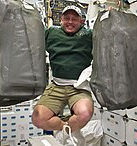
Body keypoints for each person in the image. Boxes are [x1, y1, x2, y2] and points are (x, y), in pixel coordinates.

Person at [32, 5, 94, 145]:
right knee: (38, 119)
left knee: (84, 114)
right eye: (66, 18)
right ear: (60, 19)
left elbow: (107, 34)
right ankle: (68, 128)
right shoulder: (51, 33)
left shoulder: (88, 35)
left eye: (74, 19)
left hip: (78, 86)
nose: (70, 22)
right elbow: (31, 37)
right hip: (56, 86)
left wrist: (109, 16)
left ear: (81, 21)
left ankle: (65, 133)